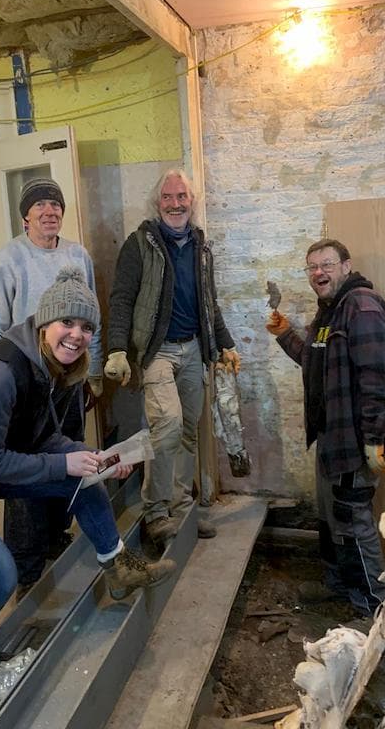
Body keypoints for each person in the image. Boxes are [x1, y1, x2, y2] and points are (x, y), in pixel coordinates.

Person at [0, 267, 174, 665]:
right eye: (67, 322)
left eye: (87, 327)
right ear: (45, 323)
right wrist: (63, 465)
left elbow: (41, 439)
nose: (76, 334)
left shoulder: (46, 367)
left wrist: (91, 459)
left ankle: (118, 567)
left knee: (84, 479)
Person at [266, 239, 385, 616]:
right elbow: (313, 362)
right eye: (312, 267)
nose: (319, 272)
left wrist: (373, 439)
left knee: (353, 519)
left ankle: (374, 603)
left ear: (346, 266)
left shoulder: (361, 308)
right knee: (331, 516)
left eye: (327, 264)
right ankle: (338, 584)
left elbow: (379, 379)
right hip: (331, 439)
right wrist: (285, 333)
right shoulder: (330, 312)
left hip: (353, 441)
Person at [0, 177, 103, 600]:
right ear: (25, 215)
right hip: (27, 383)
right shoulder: (8, 260)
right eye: (40, 205)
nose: (49, 211)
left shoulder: (77, 255)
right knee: (28, 474)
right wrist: (1, 379)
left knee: (69, 458)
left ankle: (56, 537)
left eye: (55, 204)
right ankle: (25, 569)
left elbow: (91, 319)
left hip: (69, 380)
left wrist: (94, 374)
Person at [104, 169, 241, 544]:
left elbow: (208, 302)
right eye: (168, 197)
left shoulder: (201, 246)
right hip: (157, 352)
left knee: (188, 433)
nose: (175, 203)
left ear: (191, 202)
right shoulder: (139, 244)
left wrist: (225, 343)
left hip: (194, 348)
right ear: (157, 203)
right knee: (166, 427)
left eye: (182, 196)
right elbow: (121, 299)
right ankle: (155, 512)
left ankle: (182, 511)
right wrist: (117, 348)